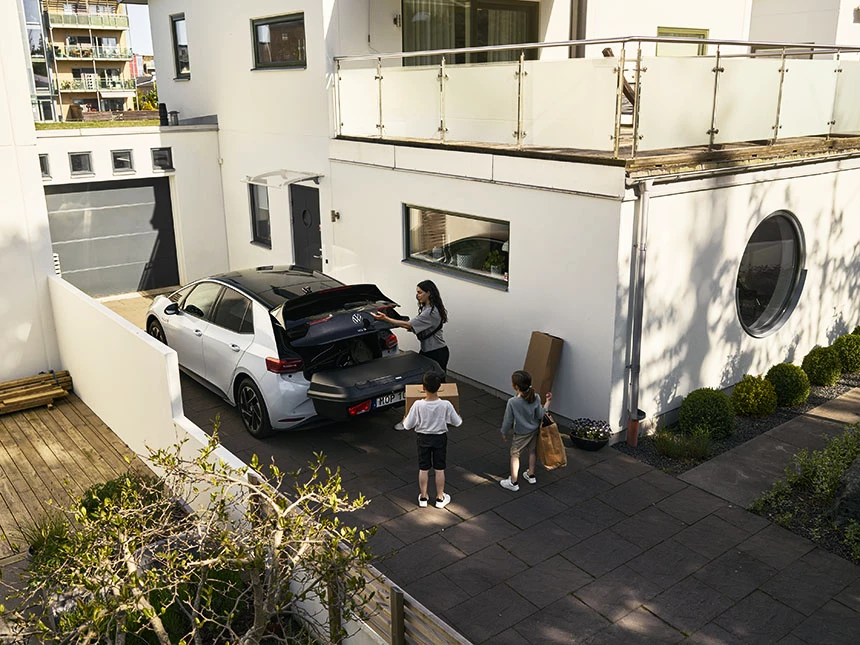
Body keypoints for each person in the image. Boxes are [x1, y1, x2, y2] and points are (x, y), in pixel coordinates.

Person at [372, 280, 449, 430]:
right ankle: (441, 416)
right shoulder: (430, 308)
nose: (417, 295)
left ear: (429, 293)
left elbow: (410, 325)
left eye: (420, 292)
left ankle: (409, 420)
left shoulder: (430, 312)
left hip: (436, 353)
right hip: (433, 352)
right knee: (436, 387)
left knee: (424, 387)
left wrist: (386, 319)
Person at [402, 370, 462, 508]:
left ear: (423, 388)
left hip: (422, 438)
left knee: (423, 468)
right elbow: (457, 422)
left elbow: (407, 425)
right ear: (440, 387)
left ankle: (423, 497)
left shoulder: (417, 405)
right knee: (439, 469)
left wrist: (405, 418)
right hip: (440, 438)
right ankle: (440, 498)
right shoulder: (446, 404)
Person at [499, 370, 552, 492]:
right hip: (534, 431)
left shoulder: (513, 402)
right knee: (532, 451)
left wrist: (504, 432)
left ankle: (513, 482)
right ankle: (531, 475)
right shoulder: (536, 397)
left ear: (515, 386)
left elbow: (508, 420)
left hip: (521, 433)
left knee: (515, 455)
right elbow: (540, 415)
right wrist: (548, 402)